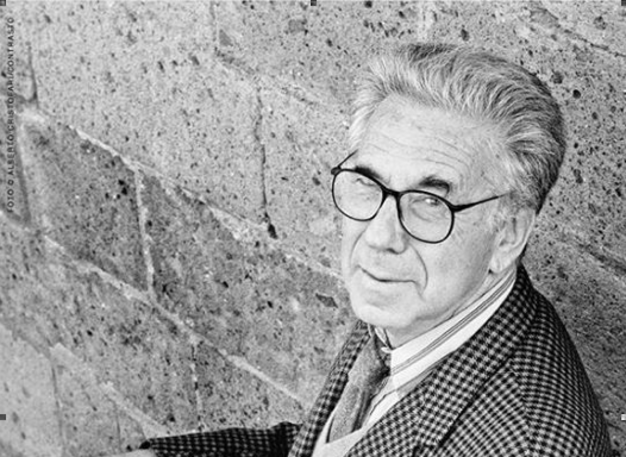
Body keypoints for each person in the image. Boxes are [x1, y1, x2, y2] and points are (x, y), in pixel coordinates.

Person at [118, 43, 611, 456]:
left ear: (508, 235)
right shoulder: (425, 305)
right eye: (369, 184)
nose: (379, 235)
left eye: (431, 202)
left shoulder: (525, 445)